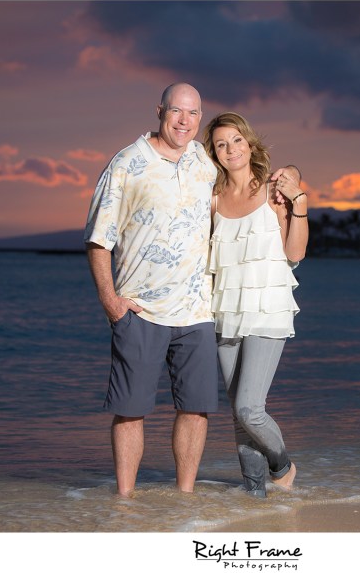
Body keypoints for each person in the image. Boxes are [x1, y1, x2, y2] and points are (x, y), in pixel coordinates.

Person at [83, 85, 299, 497]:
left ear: (200, 117)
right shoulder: (127, 163)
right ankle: (123, 504)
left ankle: (184, 499)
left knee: (196, 410)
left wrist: (293, 178)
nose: (184, 121)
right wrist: (111, 302)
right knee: (130, 412)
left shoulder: (204, 160)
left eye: (193, 113)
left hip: (199, 312)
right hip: (140, 310)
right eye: (176, 111)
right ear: (160, 111)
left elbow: (248, 169)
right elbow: (98, 238)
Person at [203, 112, 308, 497]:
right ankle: (254, 496)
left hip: (268, 308)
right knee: (238, 415)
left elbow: (294, 253)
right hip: (226, 310)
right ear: (214, 154)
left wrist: (299, 200)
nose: (230, 149)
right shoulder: (212, 200)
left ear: (249, 144)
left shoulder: (272, 193)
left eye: (236, 140)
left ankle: (282, 465)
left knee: (250, 409)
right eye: (221, 144)